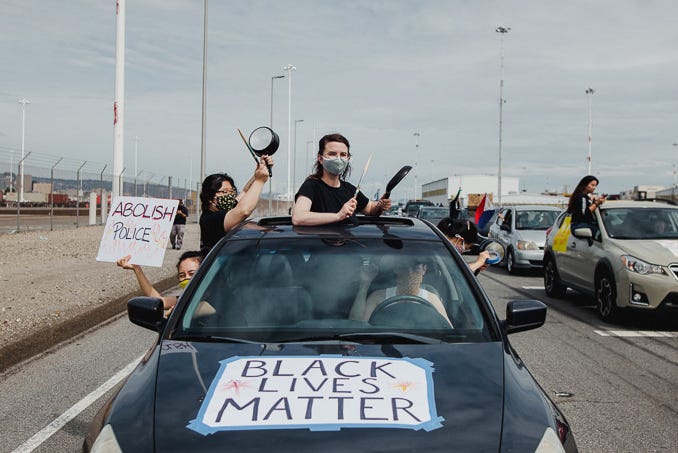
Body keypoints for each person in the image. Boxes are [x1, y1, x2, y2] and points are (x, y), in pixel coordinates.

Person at [292, 133, 392, 226]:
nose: (338, 159)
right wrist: (338, 216)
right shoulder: (312, 186)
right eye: (332, 154)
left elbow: (370, 209)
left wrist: (380, 205)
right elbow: (298, 218)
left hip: (350, 244)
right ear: (320, 158)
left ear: (348, 158)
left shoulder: (350, 190)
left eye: (343, 154)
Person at [349, 256, 453, 326]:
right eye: (404, 268)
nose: (409, 273)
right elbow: (356, 324)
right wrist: (365, 284)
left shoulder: (431, 299)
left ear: (424, 270)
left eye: (415, 269)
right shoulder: (379, 297)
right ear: (397, 269)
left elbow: (448, 330)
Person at [199, 155, 273, 249]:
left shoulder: (227, 209)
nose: (229, 195)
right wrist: (260, 181)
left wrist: (260, 171)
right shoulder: (211, 219)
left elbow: (246, 191)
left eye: (231, 191)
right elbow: (243, 211)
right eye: (224, 191)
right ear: (210, 197)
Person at [116, 250, 204, 314]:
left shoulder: (214, 299)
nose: (186, 278)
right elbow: (160, 301)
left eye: (192, 273)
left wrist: (179, 314)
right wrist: (137, 269)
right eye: (182, 275)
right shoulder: (185, 300)